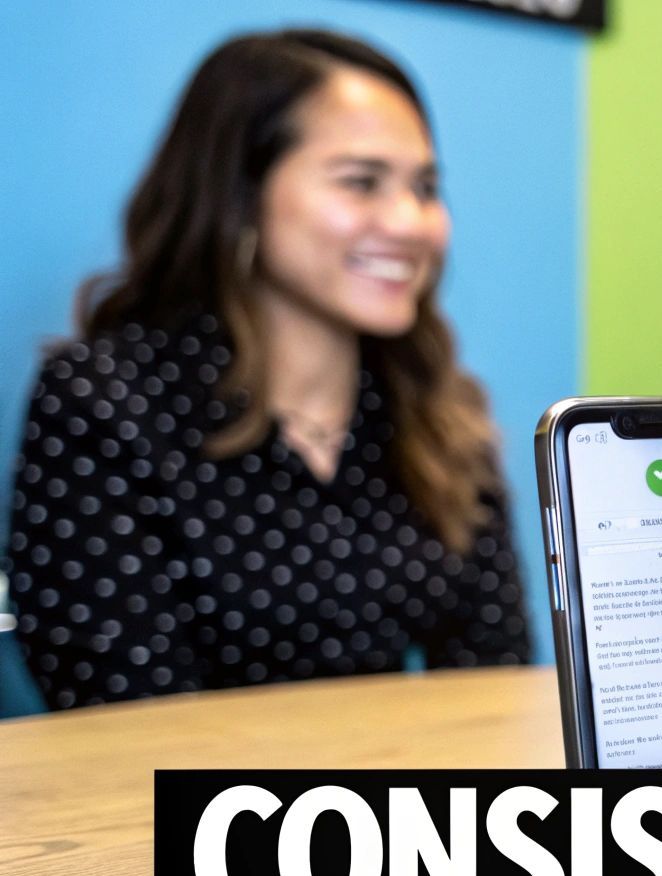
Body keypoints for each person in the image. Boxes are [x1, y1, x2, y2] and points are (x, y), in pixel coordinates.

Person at [5, 29, 530, 709]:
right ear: (241, 195)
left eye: (425, 187)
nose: (411, 222)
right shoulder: (104, 406)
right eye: (362, 182)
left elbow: (493, 692)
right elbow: (125, 720)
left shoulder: (438, 413)